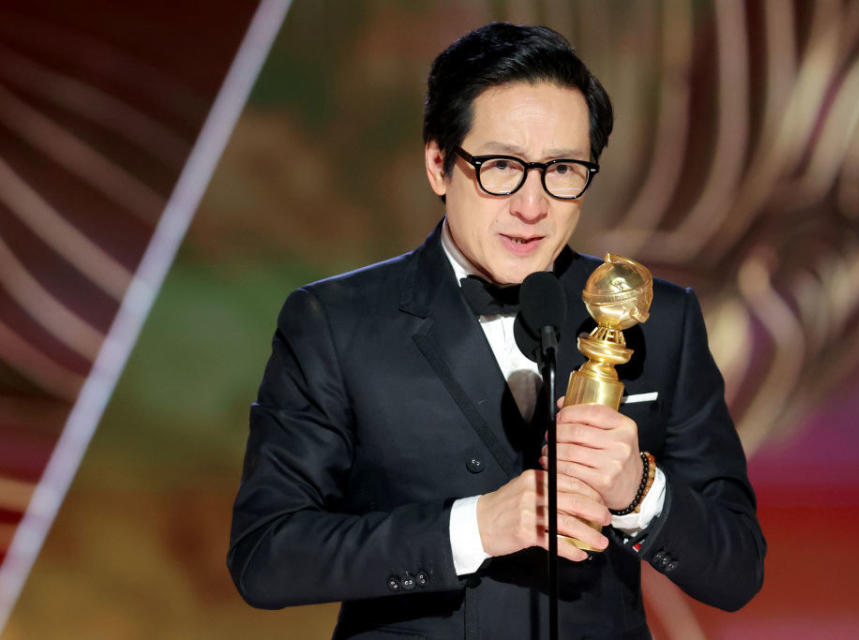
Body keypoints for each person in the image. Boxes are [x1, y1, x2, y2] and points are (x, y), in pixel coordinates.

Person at [228, 22, 765, 639]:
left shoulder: (655, 316)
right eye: (502, 166)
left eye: (562, 169)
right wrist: (475, 528)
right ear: (438, 164)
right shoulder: (334, 322)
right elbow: (266, 556)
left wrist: (641, 491)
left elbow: (737, 570)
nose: (532, 205)